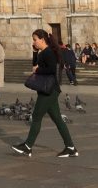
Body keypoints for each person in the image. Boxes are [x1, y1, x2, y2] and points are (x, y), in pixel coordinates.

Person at [12, 29, 78, 158]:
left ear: (42, 39)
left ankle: (27, 147)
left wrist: (38, 70)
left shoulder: (49, 52)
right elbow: (35, 66)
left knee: (36, 117)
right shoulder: (43, 52)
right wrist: (35, 53)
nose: (34, 42)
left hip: (49, 90)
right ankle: (70, 148)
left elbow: (51, 69)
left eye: (35, 39)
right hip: (48, 89)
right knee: (57, 119)